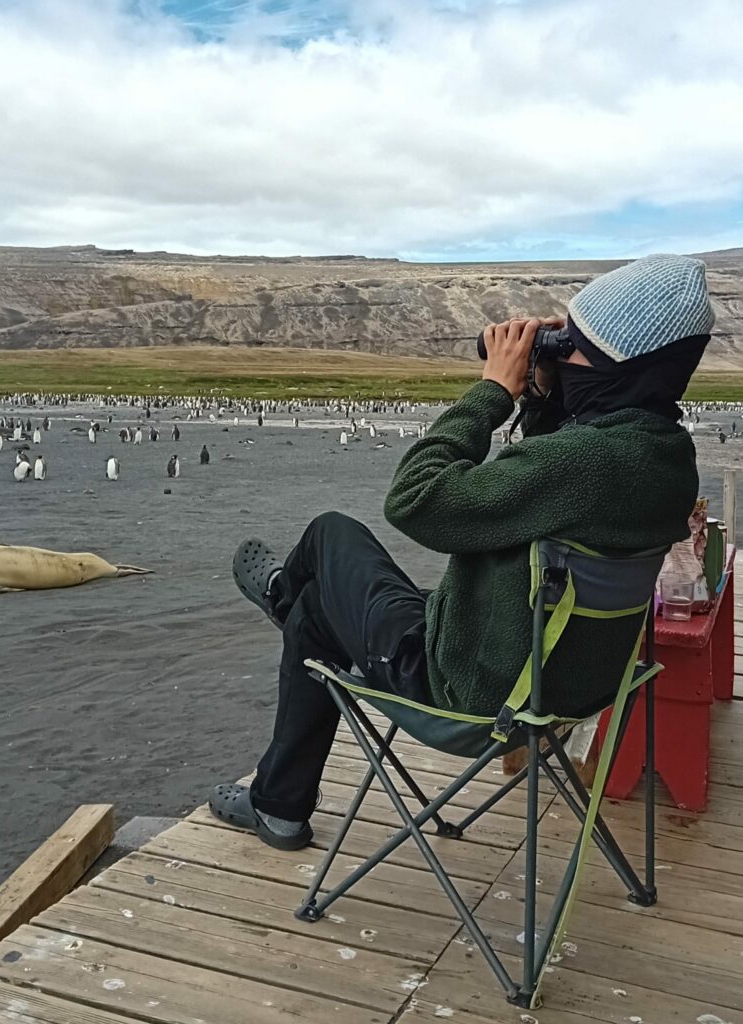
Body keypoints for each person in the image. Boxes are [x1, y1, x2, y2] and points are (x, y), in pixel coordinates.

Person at [210, 254, 714, 850]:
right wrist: (547, 396)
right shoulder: (666, 457)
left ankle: (282, 612)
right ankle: (279, 794)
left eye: (573, 346)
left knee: (329, 535)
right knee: (316, 611)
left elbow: (415, 499)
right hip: (568, 684)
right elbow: (549, 484)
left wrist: (492, 392)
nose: (560, 354)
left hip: (471, 689)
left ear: (614, 366)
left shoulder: (586, 463)